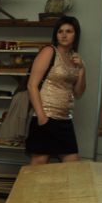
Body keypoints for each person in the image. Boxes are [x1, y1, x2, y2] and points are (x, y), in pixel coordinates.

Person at [26, 16, 86, 165]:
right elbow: (32, 85)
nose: (64, 35)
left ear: (76, 35)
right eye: (60, 31)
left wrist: (82, 69)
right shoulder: (49, 51)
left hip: (65, 119)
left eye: (69, 31)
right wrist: (42, 117)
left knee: (73, 166)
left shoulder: (75, 58)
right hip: (45, 116)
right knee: (39, 166)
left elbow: (78, 93)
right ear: (56, 34)